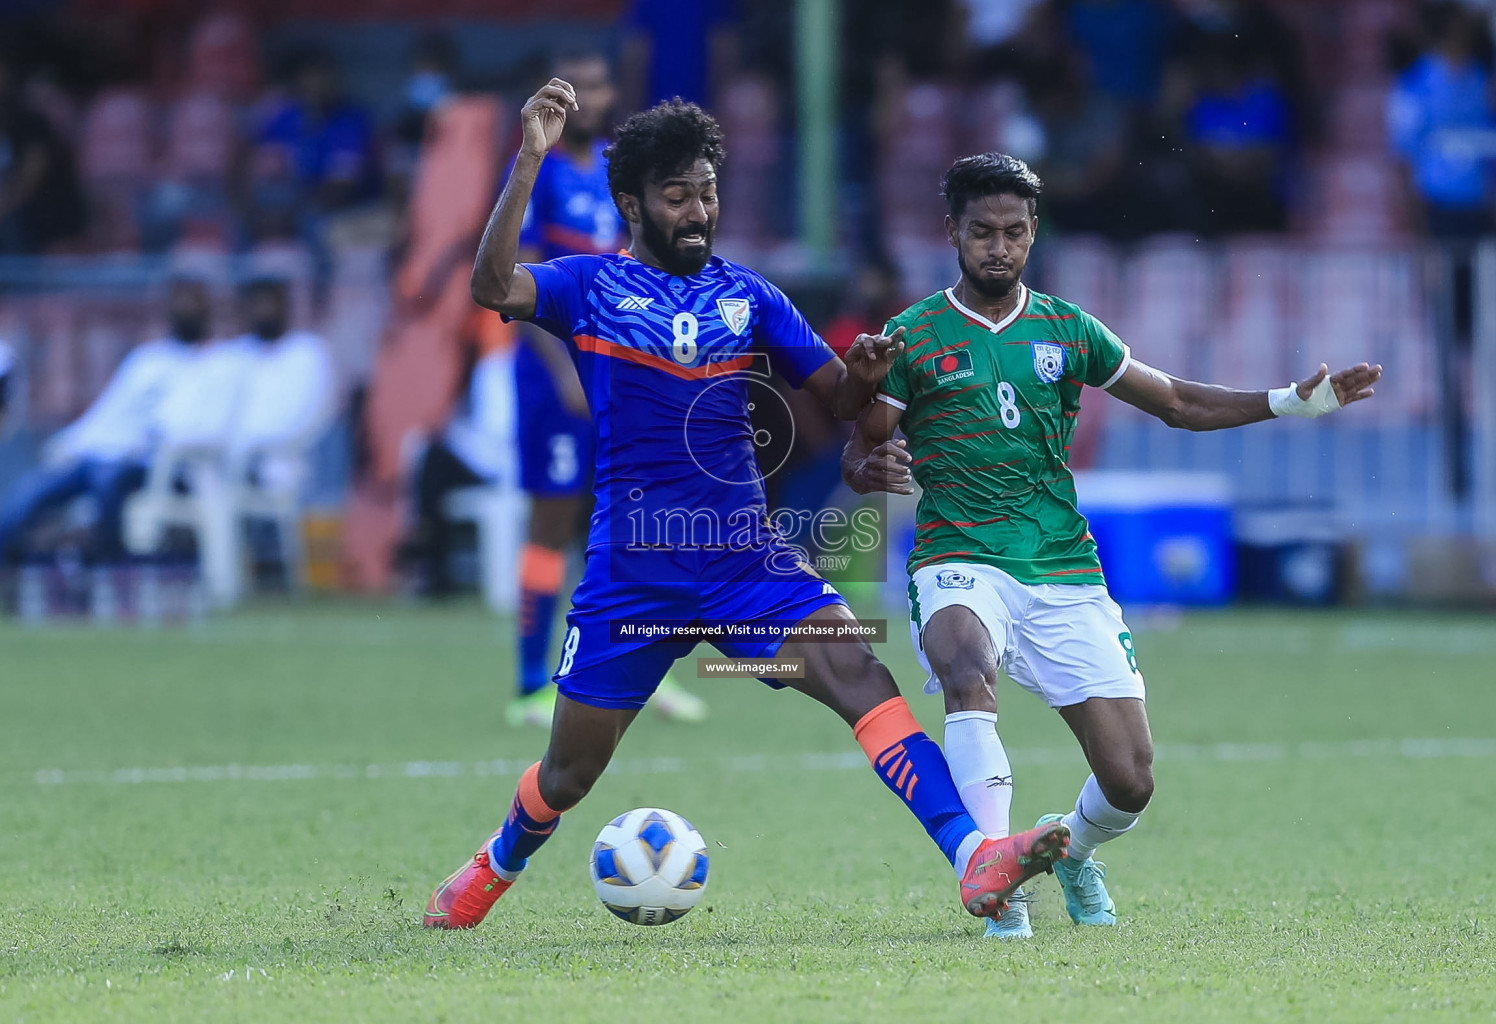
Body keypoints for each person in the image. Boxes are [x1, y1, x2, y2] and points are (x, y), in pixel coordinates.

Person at [422, 83, 1071, 930]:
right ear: (633, 203)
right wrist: (530, 158)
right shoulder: (588, 286)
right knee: (569, 774)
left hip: (745, 562)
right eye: (677, 195)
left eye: (709, 191)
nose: (699, 211)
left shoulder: (750, 296)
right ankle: (492, 865)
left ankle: (971, 857)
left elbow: (839, 395)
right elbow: (490, 284)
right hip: (635, 575)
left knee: (859, 674)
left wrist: (868, 377)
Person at [842, 153, 1381, 938]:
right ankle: (996, 869)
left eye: (1015, 232)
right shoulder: (912, 337)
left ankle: (1072, 852)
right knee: (965, 670)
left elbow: (1178, 403)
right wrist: (867, 467)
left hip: (1061, 564)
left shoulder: (1068, 329)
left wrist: (1290, 403)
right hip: (958, 556)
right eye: (983, 231)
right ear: (951, 231)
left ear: (1034, 234)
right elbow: (862, 447)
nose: (999, 247)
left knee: (1130, 780)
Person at [505, 50, 706, 728]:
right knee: (553, 519)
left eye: (597, 84)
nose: (588, 97)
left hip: (623, 371)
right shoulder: (543, 173)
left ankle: (645, 669)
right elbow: (521, 279)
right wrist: (566, 373)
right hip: (555, 377)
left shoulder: (623, 172)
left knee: (638, 521)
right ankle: (532, 680)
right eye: (574, 87)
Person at [0, 277, 212, 564]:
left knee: (107, 480)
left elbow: (186, 427)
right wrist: (72, 440)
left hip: (150, 462)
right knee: (33, 491)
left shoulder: (215, 363)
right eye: (180, 302)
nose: (185, 310)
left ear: (207, 309)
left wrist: (136, 449)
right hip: (97, 453)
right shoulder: (147, 358)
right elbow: (109, 409)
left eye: (193, 303)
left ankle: (108, 570)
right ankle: (11, 565)